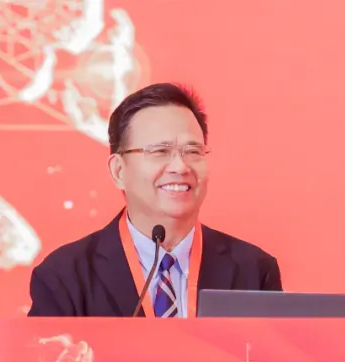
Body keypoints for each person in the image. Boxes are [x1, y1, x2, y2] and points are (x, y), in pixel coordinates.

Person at [28, 82, 283, 317]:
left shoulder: (254, 271)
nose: (180, 166)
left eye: (193, 151)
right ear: (119, 171)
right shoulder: (65, 277)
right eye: (160, 151)